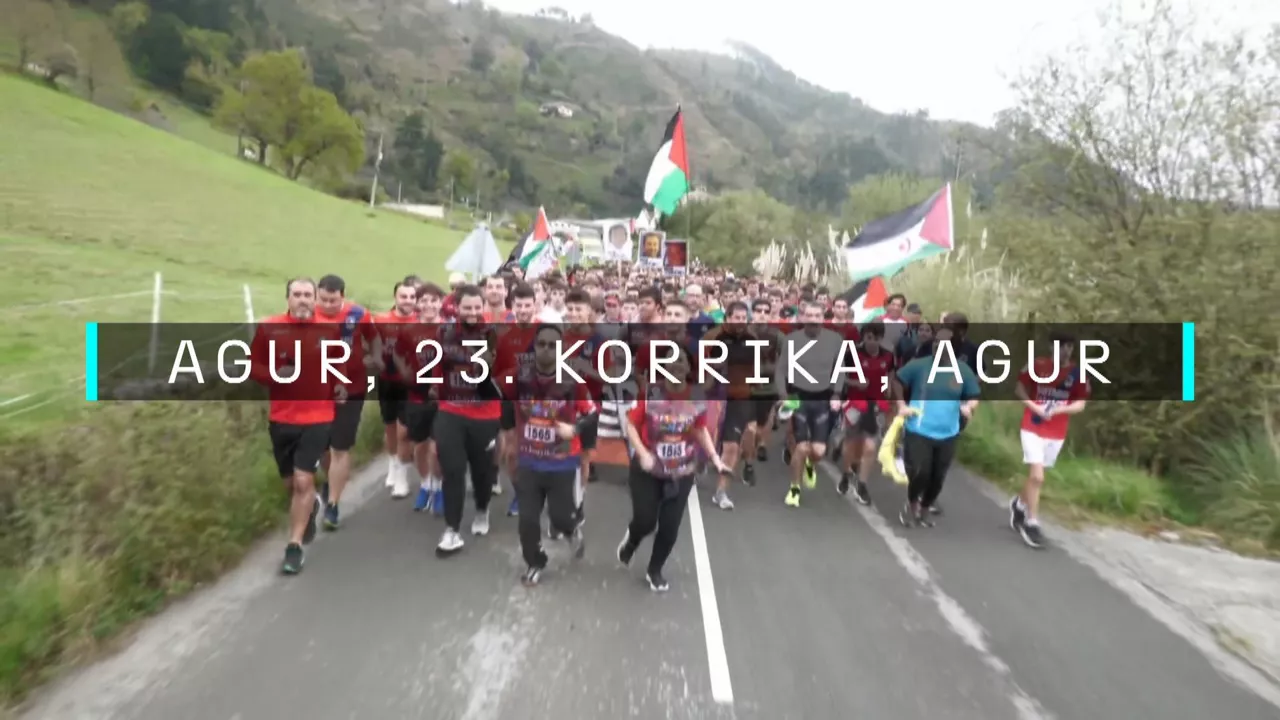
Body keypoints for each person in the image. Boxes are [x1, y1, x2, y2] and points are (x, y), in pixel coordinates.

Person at [250, 277, 347, 575]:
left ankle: (294, 547)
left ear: (315, 299)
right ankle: (311, 506)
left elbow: (337, 362)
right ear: (288, 298)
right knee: (291, 484)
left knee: (303, 481)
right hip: (282, 418)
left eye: (308, 294)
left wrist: (340, 384)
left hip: (319, 416)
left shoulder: (329, 329)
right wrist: (274, 375)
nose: (303, 299)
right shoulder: (269, 328)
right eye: (297, 294)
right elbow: (252, 366)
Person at [618, 346, 731, 592]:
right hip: (648, 469)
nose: (677, 364)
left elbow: (699, 429)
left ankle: (654, 570)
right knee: (646, 520)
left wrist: (715, 458)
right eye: (671, 360)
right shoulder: (651, 392)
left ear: (689, 367)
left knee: (670, 526)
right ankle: (632, 540)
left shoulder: (697, 395)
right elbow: (631, 425)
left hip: (681, 471)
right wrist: (643, 453)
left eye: (682, 360)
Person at [499, 325, 597, 586]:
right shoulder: (519, 377)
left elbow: (591, 414)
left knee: (560, 517)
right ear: (534, 347)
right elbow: (501, 397)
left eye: (552, 346)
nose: (546, 350)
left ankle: (571, 530)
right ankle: (535, 562)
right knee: (527, 521)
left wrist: (574, 429)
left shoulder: (573, 381)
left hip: (561, 462)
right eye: (541, 344)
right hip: (529, 460)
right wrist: (509, 438)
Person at [431, 285, 503, 557]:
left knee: (482, 472)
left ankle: (482, 509)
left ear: (483, 307)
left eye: (476, 307)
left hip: (484, 414)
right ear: (457, 308)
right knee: (452, 469)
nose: (472, 312)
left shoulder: (493, 334)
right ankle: (452, 530)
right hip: (451, 410)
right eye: (467, 307)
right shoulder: (444, 333)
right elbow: (435, 368)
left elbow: (508, 371)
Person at [892, 320, 981, 527]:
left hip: (948, 432)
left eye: (943, 343)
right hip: (919, 429)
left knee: (937, 477)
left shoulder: (963, 371)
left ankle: (924, 510)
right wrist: (901, 405)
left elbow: (974, 395)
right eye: (935, 342)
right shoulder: (919, 365)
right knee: (921, 472)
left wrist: (969, 407)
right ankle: (912, 505)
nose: (937, 346)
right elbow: (897, 380)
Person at [1011, 332, 1090, 548]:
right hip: (1032, 426)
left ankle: (1019, 504)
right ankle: (1032, 523)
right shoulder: (1037, 365)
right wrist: (1035, 406)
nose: (1066, 350)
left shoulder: (1078, 373)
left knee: (1035, 478)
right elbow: (1019, 389)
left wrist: (1058, 410)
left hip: (1056, 432)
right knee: (1038, 477)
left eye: (1069, 346)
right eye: (1061, 346)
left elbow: (1080, 404)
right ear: (1052, 347)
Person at [313, 275, 379, 529]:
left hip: (352, 388)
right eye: (323, 299)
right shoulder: (307, 315)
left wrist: (375, 357)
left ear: (343, 296)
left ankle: (333, 505)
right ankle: (331, 480)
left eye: (333, 300)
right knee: (322, 446)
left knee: (340, 447)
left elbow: (374, 337)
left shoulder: (358, 314)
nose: (328, 305)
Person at [774, 302, 846, 507]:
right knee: (801, 447)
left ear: (823, 318)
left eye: (817, 315)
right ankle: (794, 489)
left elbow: (839, 369)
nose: (813, 319)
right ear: (802, 317)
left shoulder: (835, 340)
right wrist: (783, 395)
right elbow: (781, 370)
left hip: (823, 398)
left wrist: (836, 394)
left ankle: (809, 464)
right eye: (809, 315)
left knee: (818, 451)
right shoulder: (791, 340)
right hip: (797, 397)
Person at [701, 301, 757, 507]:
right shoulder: (712, 337)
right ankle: (697, 465)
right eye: (736, 317)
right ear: (727, 318)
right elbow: (699, 366)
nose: (740, 321)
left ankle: (721, 492)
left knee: (732, 446)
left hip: (739, 398)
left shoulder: (752, 339)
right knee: (704, 442)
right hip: (712, 397)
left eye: (744, 318)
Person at [838, 321, 896, 504]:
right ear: (863, 337)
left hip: (876, 405)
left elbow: (890, 374)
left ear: (881, 338)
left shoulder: (888, 356)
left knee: (870, 446)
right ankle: (846, 473)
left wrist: (887, 389)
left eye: (876, 338)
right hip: (855, 404)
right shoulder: (852, 354)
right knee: (852, 444)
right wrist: (855, 383)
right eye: (868, 337)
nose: (872, 341)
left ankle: (861, 485)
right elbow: (839, 376)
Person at [376, 279, 423, 499]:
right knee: (389, 425)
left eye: (412, 297)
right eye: (404, 297)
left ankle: (403, 470)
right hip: (386, 379)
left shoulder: (421, 321)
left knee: (404, 429)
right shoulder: (381, 320)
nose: (408, 301)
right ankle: (393, 462)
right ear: (395, 297)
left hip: (411, 381)